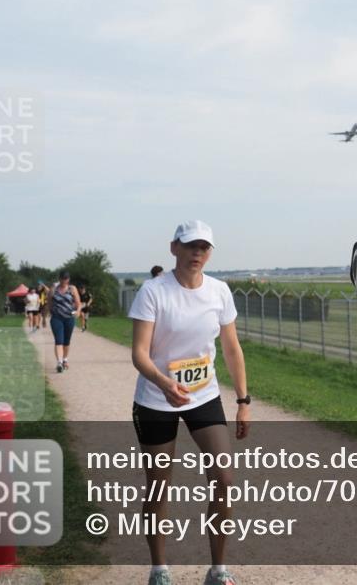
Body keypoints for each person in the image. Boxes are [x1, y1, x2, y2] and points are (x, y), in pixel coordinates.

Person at [129, 220, 250, 585]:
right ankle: (159, 569)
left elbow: (231, 348)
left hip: (203, 395)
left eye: (204, 247)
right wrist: (164, 382)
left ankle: (218, 570)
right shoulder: (153, 291)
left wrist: (243, 400)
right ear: (174, 248)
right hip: (156, 398)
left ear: (209, 253)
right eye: (190, 245)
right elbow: (139, 353)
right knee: (159, 485)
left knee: (224, 478)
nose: (197, 253)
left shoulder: (219, 291)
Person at [48, 272, 81, 373]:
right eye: (62, 278)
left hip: (69, 318)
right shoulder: (54, 288)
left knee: (66, 342)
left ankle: (65, 359)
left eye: (66, 278)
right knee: (59, 340)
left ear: (68, 279)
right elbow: (49, 302)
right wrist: (48, 314)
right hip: (56, 318)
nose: (64, 280)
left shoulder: (72, 289)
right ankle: (59, 362)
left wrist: (78, 311)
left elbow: (78, 303)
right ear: (59, 279)